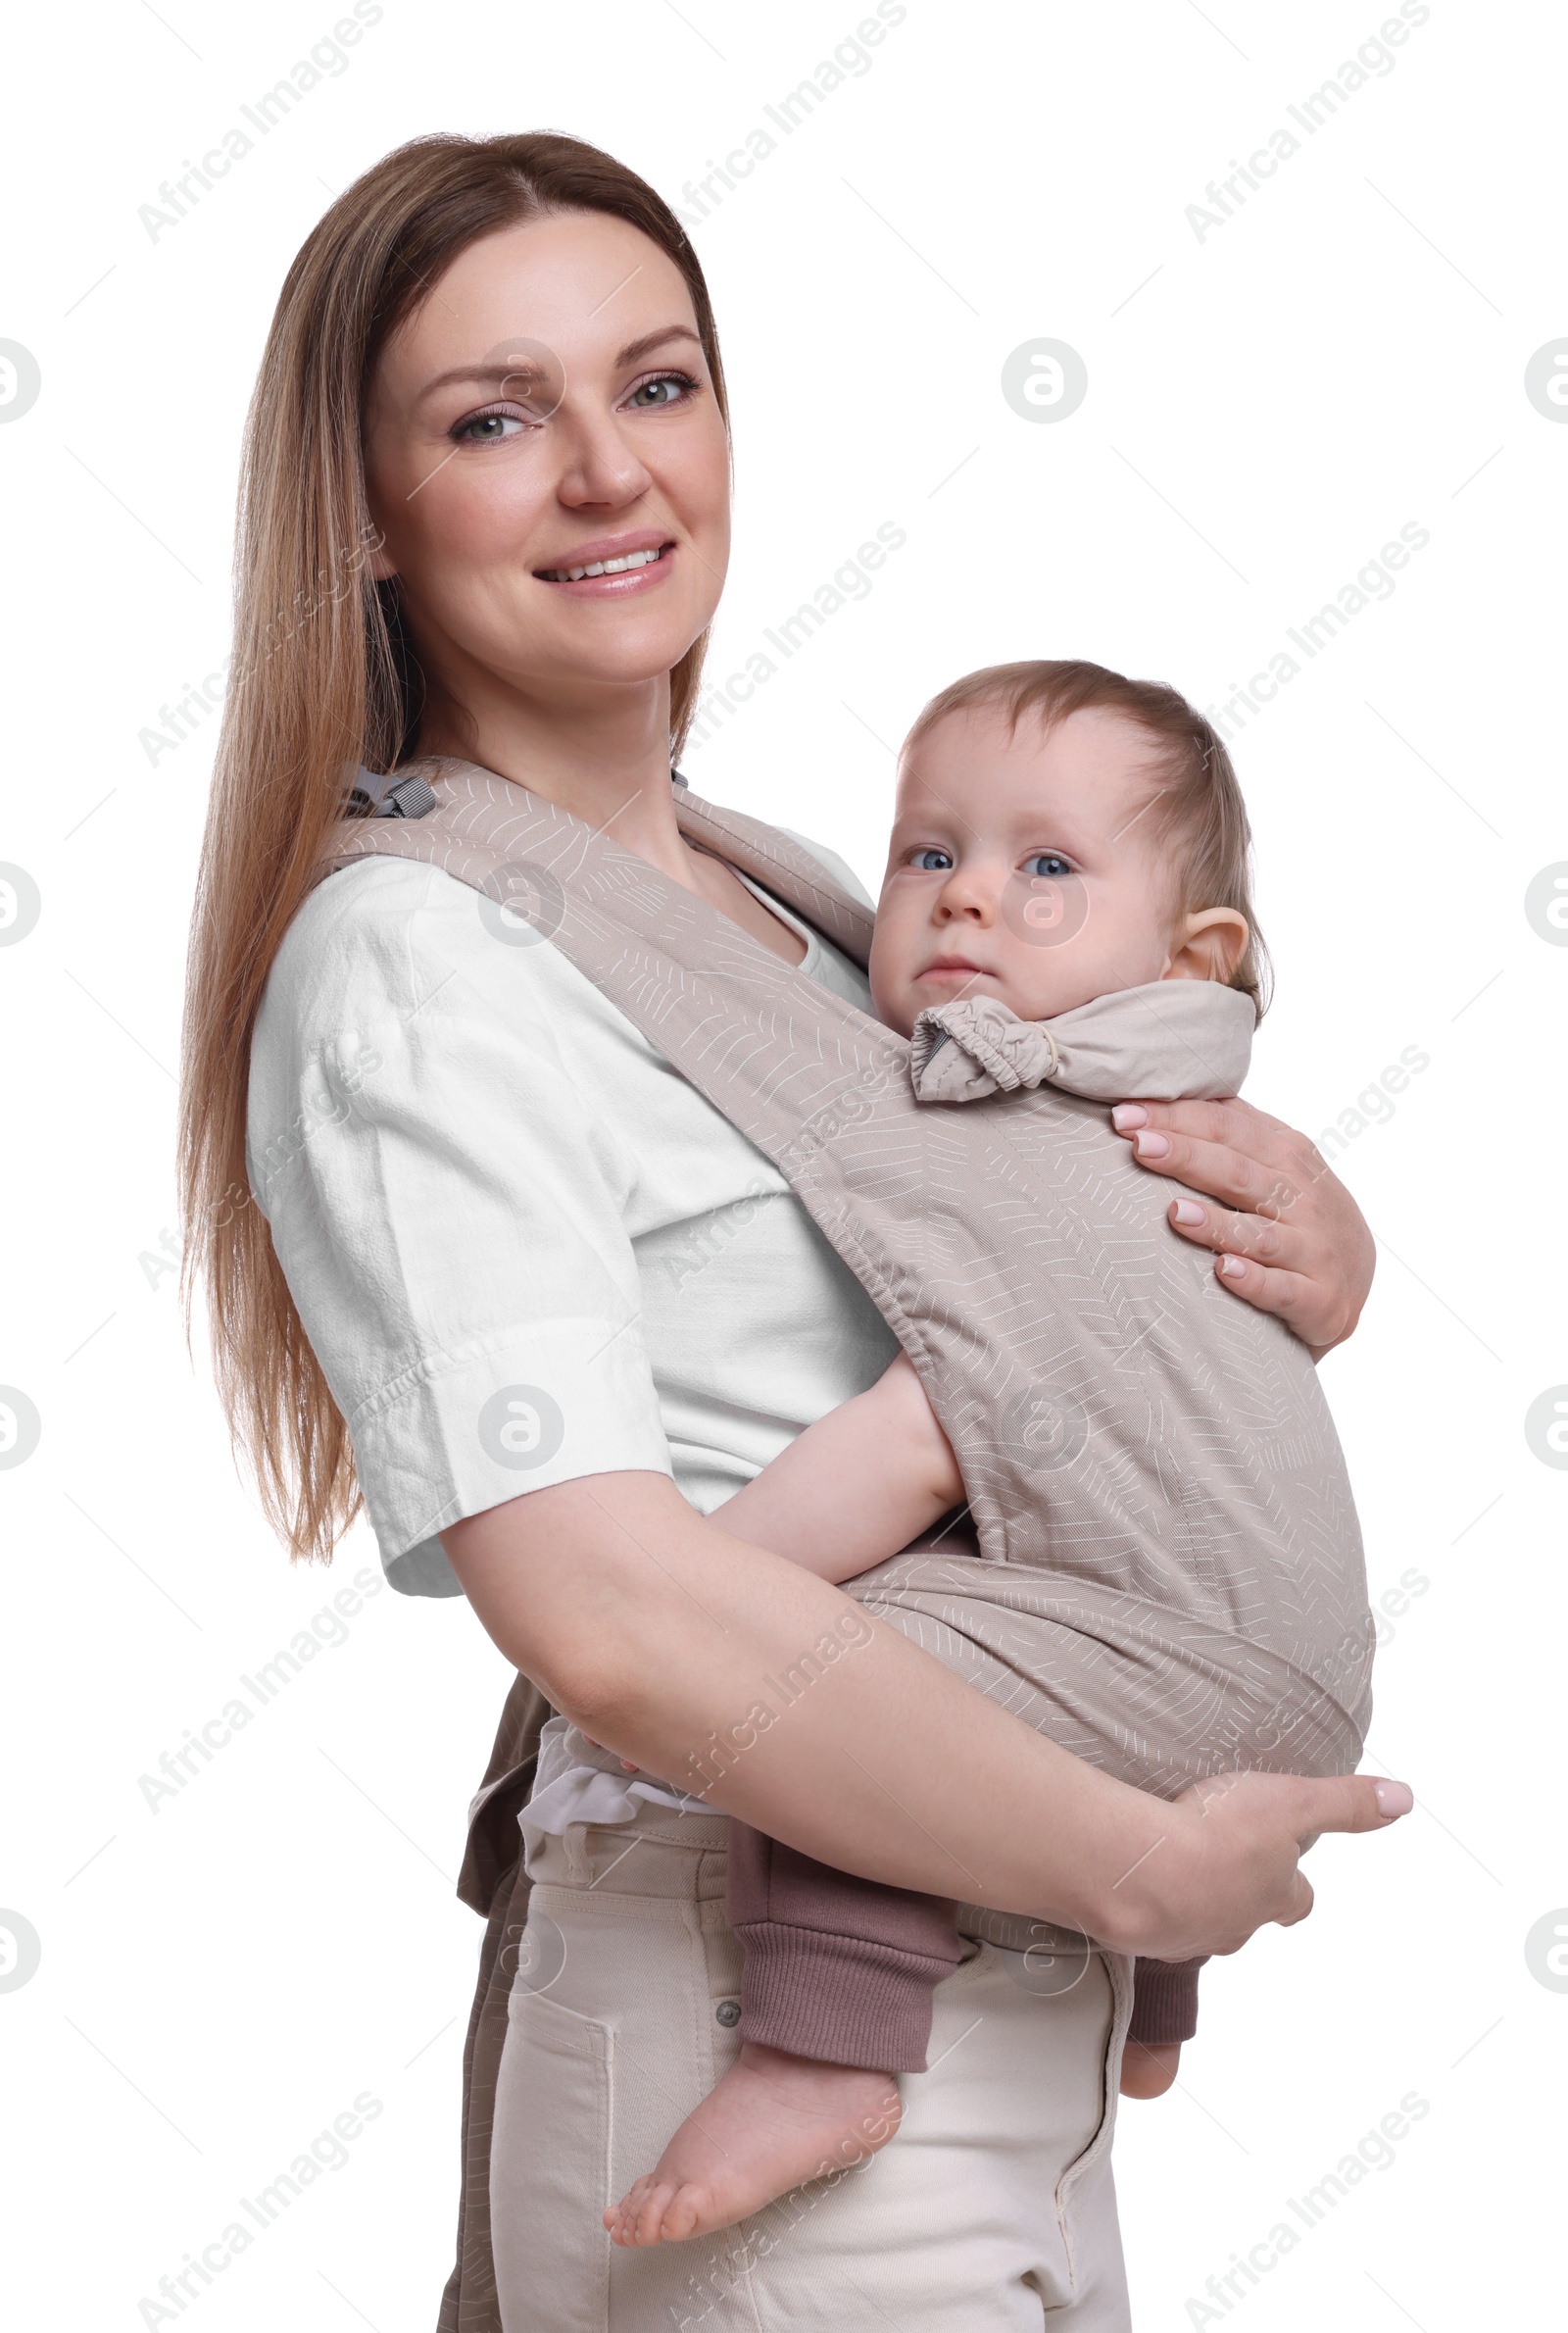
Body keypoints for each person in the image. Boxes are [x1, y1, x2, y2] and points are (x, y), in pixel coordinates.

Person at [180, 131, 1406, 2333]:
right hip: (750, 1982)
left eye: (654, 386)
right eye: (490, 419)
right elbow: (617, 1621)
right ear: (364, 514)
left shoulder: (814, 904)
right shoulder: (417, 957)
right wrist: (1139, 1863)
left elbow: (1039, 1264)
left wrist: (1299, 1241)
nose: (600, 474)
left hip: (1003, 2019)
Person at [602, 657, 1378, 2247]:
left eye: (1045, 868)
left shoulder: (1004, 1127)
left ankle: (826, 2048)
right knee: (1036, 1579)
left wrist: (690, 1594)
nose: (965, 903)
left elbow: (917, 1446)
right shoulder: (1154, 1096)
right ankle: (1154, 2003)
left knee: (823, 1672)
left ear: (1195, 951)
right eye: (927, 854)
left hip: (1194, 1659)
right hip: (1281, 1667)